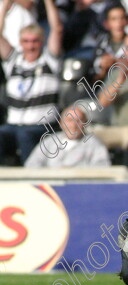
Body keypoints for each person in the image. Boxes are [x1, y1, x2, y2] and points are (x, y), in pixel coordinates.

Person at [0, 0, 62, 165]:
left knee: (24, 135)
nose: (30, 46)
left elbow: (57, 29)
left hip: (41, 125)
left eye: (34, 41)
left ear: (41, 42)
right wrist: (5, 6)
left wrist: (48, 2)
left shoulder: (49, 61)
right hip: (14, 124)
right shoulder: (14, 61)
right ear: (20, 43)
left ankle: (30, 177)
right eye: (26, 41)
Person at [24, 105, 111, 167]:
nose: (73, 125)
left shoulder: (94, 144)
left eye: (78, 120)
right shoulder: (49, 142)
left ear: (85, 124)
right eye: (69, 120)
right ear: (61, 123)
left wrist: (74, 172)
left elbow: (103, 167)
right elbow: (31, 164)